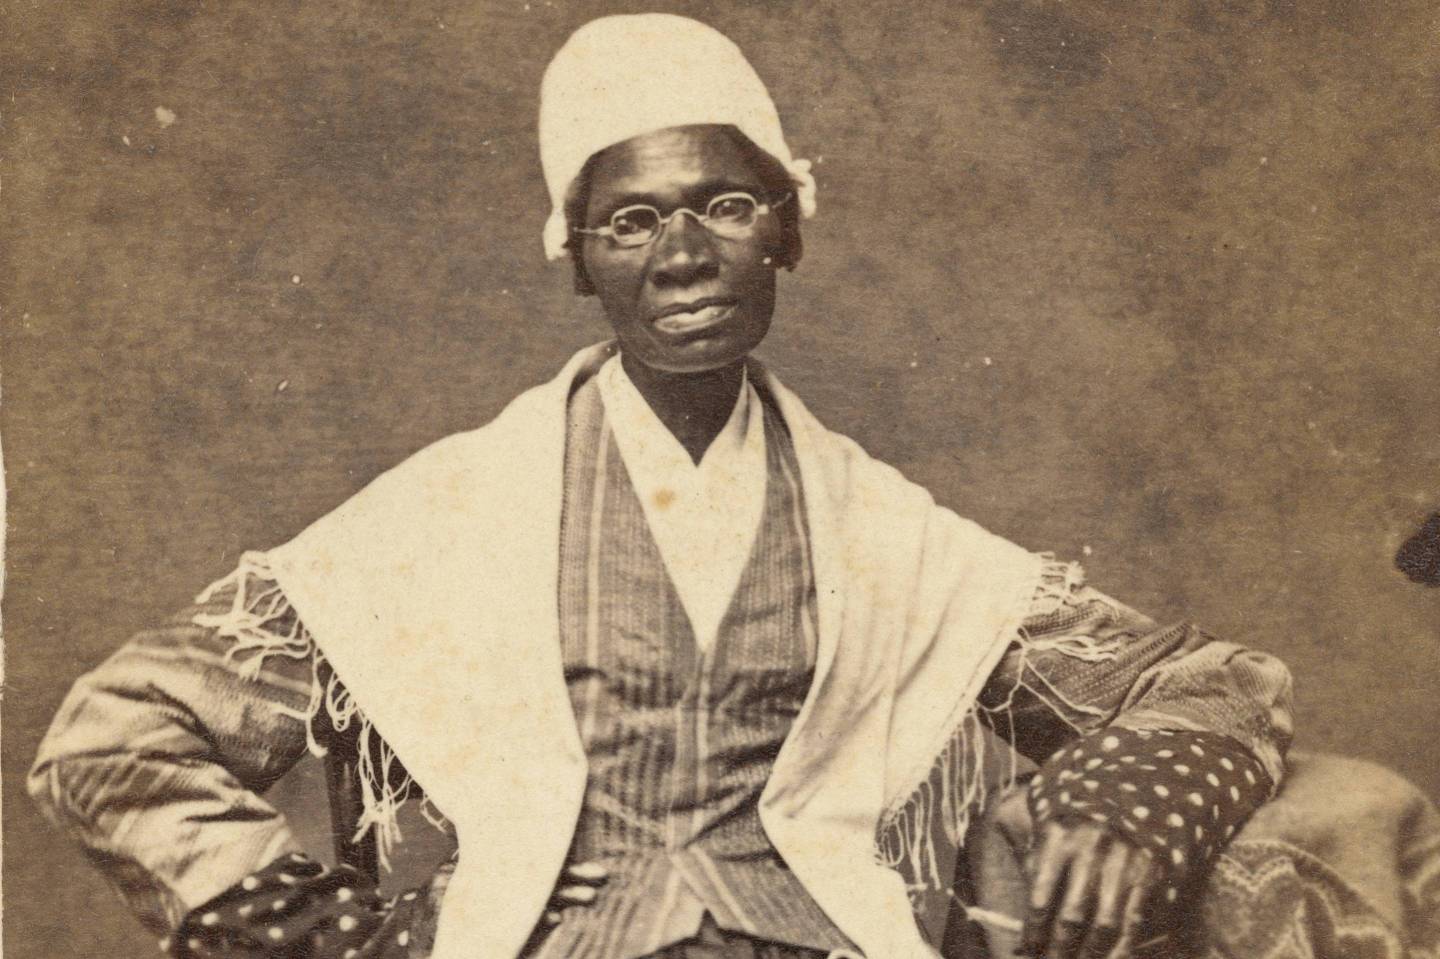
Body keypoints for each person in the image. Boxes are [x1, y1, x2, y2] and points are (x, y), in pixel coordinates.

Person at [27, 14, 1438, 959]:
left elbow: (1208, 685)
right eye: (631, 220)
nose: (685, 254)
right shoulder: (445, 519)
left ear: (789, 232)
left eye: (725, 203)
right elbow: (109, 742)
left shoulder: (881, 533)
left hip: (824, 944)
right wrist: (323, 934)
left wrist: (1132, 803)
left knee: (1339, 812)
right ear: (579, 261)